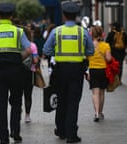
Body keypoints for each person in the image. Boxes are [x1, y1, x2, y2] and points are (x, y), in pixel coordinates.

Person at [42, 2, 94, 143]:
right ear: (77, 16)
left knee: (62, 99)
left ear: (64, 16)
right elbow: (91, 51)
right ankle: (71, 134)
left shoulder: (56, 31)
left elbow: (46, 50)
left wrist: (58, 53)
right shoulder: (82, 32)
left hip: (60, 70)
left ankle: (61, 130)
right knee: (73, 101)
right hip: (77, 70)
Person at [0, 3, 32, 144]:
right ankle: (15, 132)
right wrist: (17, 58)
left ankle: (3, 136)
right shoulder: (18, 31)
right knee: (16, 102)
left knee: (1, 103)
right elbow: (29, 50)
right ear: (12, 16)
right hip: (16, 71)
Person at [87, 26, 112, 122]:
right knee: (101, 93)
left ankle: (96, 113)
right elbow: (109, 59)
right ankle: (100, 112)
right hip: (103, 70)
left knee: (95, 92)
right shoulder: (106, 45)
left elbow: (86, 58)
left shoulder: (89, 46)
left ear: (92, 34)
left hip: (93, 70)